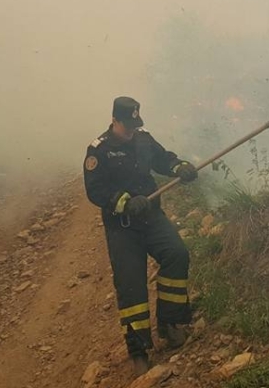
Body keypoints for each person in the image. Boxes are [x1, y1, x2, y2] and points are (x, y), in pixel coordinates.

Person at [83, 97, 199, 376]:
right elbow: (95, 191)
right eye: (127, 126)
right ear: (114, 120)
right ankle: (138, 350)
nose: (132, 130)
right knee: (131, 285)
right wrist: (124, 202)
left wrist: (179, 166)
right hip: (123, 227)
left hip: (151, 218)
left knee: (176, 254)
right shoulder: (99, 150)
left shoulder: (143, 138)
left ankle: (170, 323)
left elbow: (162, 159)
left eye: (135, 124)